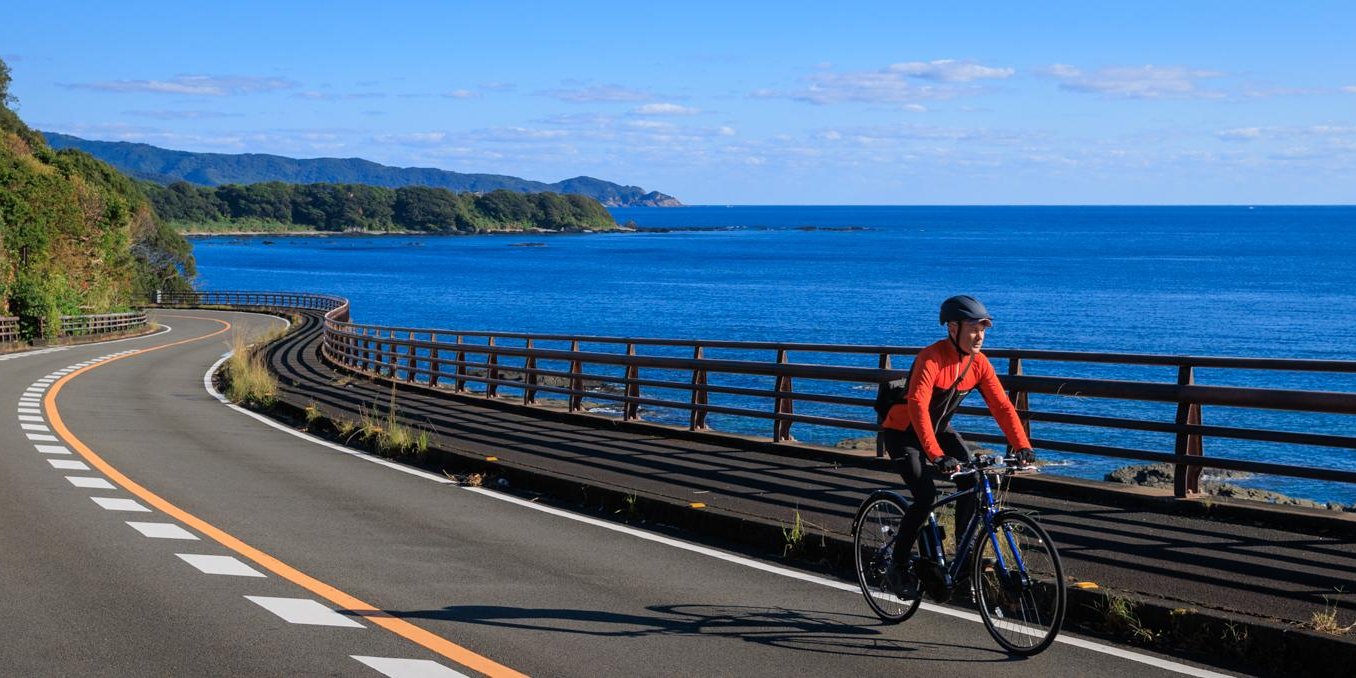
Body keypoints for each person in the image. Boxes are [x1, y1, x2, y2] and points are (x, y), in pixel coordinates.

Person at [879, 295, 1036, 598]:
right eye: (974, 329)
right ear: (953, 328)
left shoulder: (979, 363)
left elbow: (1002, 406)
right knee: (925, 496)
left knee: (974, 478)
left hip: (937, 430)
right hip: (903, 433)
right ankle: (896, 567)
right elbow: (919, 408)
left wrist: (1021, 446)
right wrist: (936, 455)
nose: (980, 336)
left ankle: (960, 559)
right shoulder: (931, 358)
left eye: (983, 329)